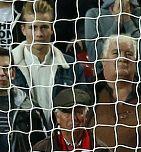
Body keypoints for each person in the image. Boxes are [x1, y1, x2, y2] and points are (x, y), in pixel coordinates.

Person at [11, 0, 85, 128]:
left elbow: (83, 106)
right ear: (23, 29)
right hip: (21, 141)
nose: (39, 34)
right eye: (33, 27)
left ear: (52, 29)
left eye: (44, 27)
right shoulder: (8, 66)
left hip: (60, 140)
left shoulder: (72, 66)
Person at [0, 47, 45, 152]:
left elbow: (42, 147)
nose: (2, 73)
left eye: (6, 68)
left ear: (13, 72)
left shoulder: (29, 107)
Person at [84, 0, 141, 73]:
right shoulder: (94, 15)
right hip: (104, 81)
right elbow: (96, 60)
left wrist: (127, 21)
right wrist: (117, 23)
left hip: (138, 80)